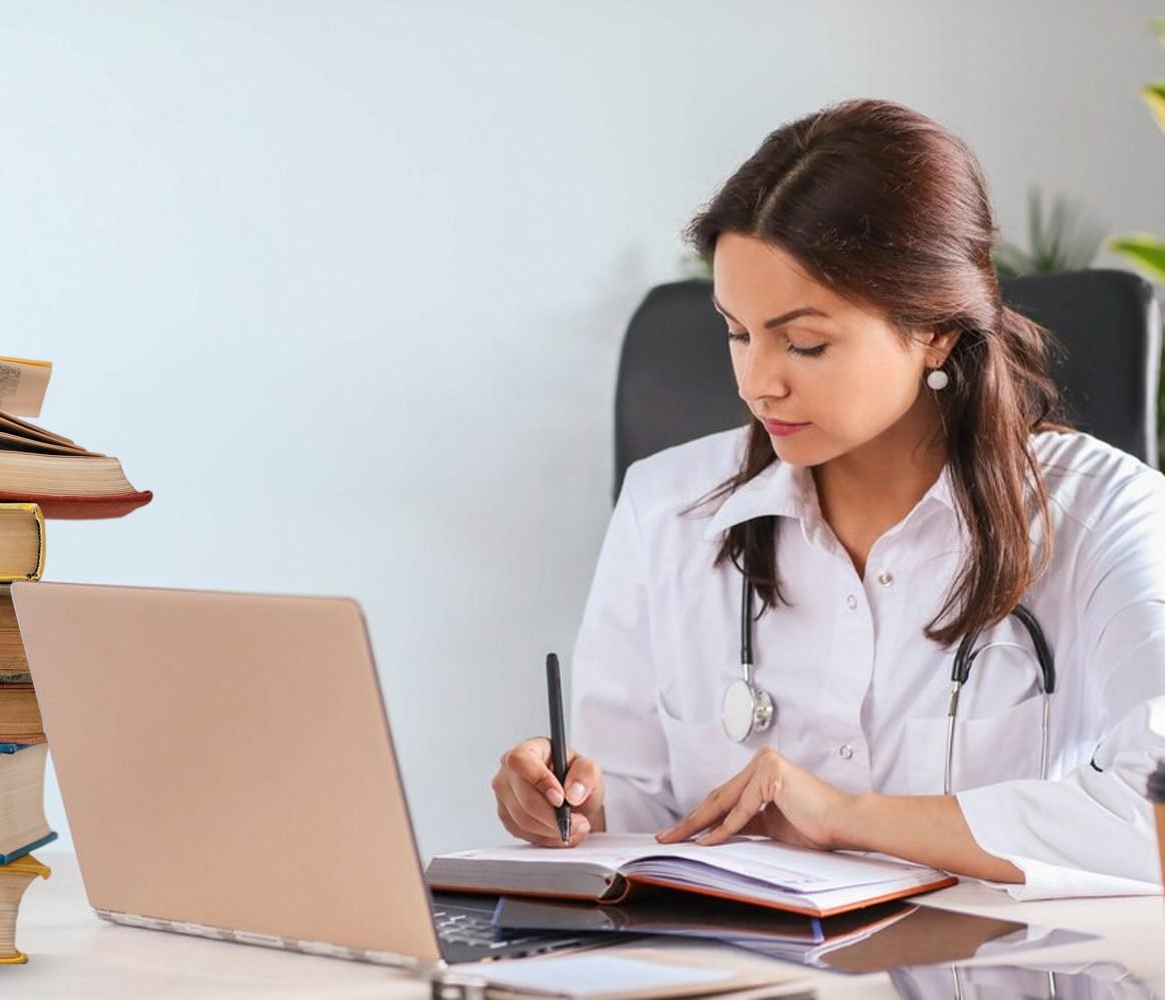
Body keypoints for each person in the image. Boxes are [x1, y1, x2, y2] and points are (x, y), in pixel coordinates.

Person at [490, 98, 1165, 899]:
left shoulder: (1105, 513)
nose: (756, 383)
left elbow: (1150, 816)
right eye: (737, 332)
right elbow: (642, 815)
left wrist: (848, 817)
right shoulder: (662, 509)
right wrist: (575, 804)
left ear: (936, 330)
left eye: (804, 343)